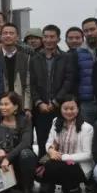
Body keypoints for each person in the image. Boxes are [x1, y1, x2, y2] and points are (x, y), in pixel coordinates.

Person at [29, 24, 74, 157]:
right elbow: (31, 83)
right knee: (42, 140)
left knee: (61, 141)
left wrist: (56, 101)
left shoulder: (66, 57)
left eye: (52, 37)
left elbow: (68, 81)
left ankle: (59, 166)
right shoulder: (35, 58)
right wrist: (38, 102)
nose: (48, 40)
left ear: (58, 39)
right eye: (46, 37)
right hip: (40, 108)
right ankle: (43, 167)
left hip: (60, 107)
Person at [37, 96, 93, 193]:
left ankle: (73, 189)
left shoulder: (87, 128)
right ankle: (68, 187)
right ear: (60, 109)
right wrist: (51, 151)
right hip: (60, 161)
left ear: (78, 109)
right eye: (65, 109)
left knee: (66, 165)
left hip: (78, 165)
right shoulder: (56, 121)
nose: (69, 112)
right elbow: (49, 142)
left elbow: (88, 154)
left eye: (72, 108)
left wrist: (64, 157)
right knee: (41, 168)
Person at [0, 92, 37, 193]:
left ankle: (27, 190)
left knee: (26, 154)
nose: (2, 107)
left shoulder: (25, 120)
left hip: (17, 160)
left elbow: (26, 143)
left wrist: (8, 158)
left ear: (16, 106)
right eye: (1, 104)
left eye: (6, 104)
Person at [0, 23, 32, 114]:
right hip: (0, 106)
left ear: (17, 37)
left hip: (20, 105)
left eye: (11, 33)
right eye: (5, 33)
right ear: (1, 37)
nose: (8, 35)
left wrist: (27, 108)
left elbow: (28, 85)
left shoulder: (25, 58)